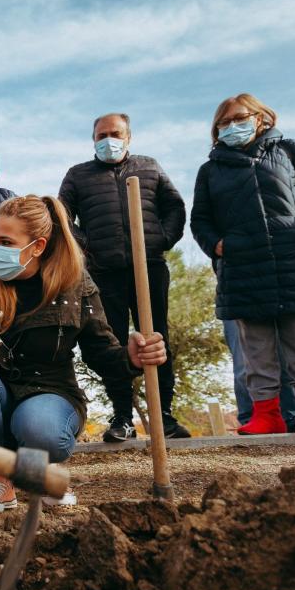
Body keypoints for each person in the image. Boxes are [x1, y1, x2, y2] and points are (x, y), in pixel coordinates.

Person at [0, 195, 167, 512]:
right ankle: (0, 479)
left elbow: (101, 354)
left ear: (38, 246)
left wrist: (131, 359)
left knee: (38, 429)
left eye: (6, 241)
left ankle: (41, 472)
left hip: (51, 393)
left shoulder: (75, 284)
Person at [191, 93, 295, 434]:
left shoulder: (289, 150)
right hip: (243, 269)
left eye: (239, 118)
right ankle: (265, 414)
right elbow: (200, 220)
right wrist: (218, 245)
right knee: (256, 348)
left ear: (261, 118)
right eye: (224, 122)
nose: (232, 126)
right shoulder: (210, 170)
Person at [59, 113, 190, 442]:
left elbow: (175, 207)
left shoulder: (149, 167)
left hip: (149, 268)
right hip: (104, 273)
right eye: (101, 134)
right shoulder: (79, 175)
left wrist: (161, 239)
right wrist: (85, 249)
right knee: (111, 343)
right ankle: (122, 417)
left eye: (115, 133)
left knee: (157, 338)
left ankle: (164, 416)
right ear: (93, 139)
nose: (108, 139)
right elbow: (62, 215)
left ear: (128, 137)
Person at [222, 319, 295, 432]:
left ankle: (292, 416)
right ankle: (250, 418)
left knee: (284, 361)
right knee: (244, 365)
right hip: (237, 305)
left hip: (277, 303)